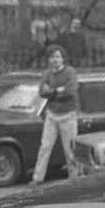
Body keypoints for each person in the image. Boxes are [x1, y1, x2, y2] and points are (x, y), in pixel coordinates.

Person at [31, 44, 80, 185]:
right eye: (52, 57)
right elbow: (42, 92)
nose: (55, 60)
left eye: (58, 57)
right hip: (51, 115)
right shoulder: (47, 74)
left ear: (63, 59)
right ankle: (37, 178)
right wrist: (56, 91)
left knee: (70, 149)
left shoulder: (70, 72)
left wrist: (51, 92)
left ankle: (74, 178)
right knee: (45, 147)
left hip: (67, 115)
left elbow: (70, 92)